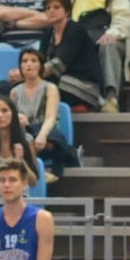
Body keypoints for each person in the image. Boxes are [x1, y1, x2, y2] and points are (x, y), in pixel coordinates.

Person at [66, 0, 130, 113]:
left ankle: (111, 98)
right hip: (80, 41)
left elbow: (124, 20)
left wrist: (111, 33)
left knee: (108, 45)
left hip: (107, 37)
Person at [10, 48, 80, 182]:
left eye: (33, 61)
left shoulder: (50, 88)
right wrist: (17, 117)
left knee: (49, 138)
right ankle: (36, 172)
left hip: (47, 133)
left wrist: (41, 135)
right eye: (25, 61)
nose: (29, 64)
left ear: (41, 65)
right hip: (25, 134)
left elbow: (51, 118)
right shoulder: (14, 92)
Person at [39, 0, 103, 111]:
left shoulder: (75, 30)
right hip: (59, 81)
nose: (51, 10)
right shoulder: (48, 33)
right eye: (48, 8)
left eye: (56, 7)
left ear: (67, 11)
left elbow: (59, 64)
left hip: (84, 85)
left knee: (42, 88)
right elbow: (39, 60)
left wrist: (28, 75)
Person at [0, 96, 38, 196]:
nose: (0, 115)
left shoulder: (27, 140)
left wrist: (21, 161)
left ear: (13, 114)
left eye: (4, 111)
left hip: (19, 196)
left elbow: (33, 181)